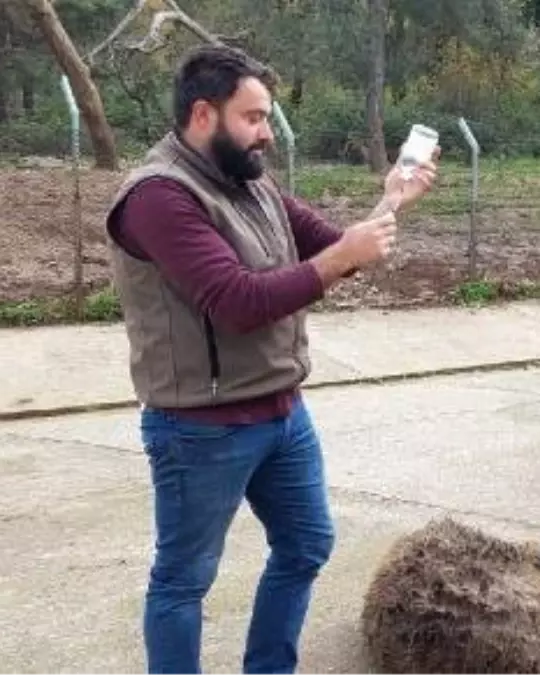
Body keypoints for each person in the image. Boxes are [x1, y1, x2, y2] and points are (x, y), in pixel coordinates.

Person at [103, 44, 439, 674]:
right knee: (184, 581)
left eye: (266, 118)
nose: (265, 134)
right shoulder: (157, 197)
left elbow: (336, 248)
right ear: (204, 115)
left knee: (307, 544)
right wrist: (345, 255)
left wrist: (391, 199)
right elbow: (237, 301)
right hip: (200, 428)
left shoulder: (250, 183)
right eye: (253, 118)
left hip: (281, 413)